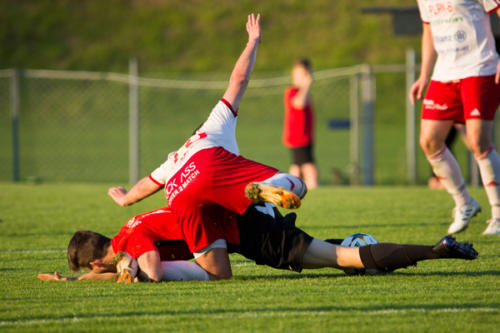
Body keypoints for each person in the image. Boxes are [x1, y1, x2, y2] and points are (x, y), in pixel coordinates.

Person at [107, 14, 307, 280]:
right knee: (300, 186)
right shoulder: (215, 124)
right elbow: (238, 81)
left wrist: (125, 199)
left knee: (216, 273)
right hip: (218, 175)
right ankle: (275, 186)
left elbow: (148, 183)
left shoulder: (177, 157)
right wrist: (253, 42)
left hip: (191, 200)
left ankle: (140, 270)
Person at [38, 204, 478, 283]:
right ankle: (419, 250)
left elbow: (150, 270)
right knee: (331, 255)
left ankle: (434, 250)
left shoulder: (132, 239)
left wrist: (126, 272)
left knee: (346, 258)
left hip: (250, 234)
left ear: (97, 262)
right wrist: (73, 283)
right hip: (251, 228)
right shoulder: (129, 228)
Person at [410, 0, 500, 235]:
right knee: (429, 140)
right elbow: (428, 30)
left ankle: (498, 213)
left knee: (478, 140)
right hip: (444, 73)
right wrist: (423, 76)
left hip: (479, 68)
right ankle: (465, 203)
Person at [282, 59, 318, 189]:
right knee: (309, 166)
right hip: (298, 137)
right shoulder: (292, 91)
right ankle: (312, 187)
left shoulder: (305, 94)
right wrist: (306, 85)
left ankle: (291, 188)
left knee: (297, 166)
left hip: (305, 136)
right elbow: (299, 103)